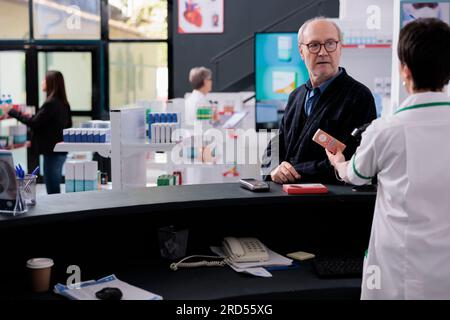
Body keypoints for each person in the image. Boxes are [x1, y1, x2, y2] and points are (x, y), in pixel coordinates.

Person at [326, 18, 450, 299]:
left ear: (404, 70)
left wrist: (338, 161)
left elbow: (354, 174)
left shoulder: (385, 129)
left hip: (397, 271)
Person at [262, 17, 377, 184]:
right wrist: (273, 169)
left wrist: (293, 171)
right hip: (287, 197)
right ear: (301, 52)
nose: (323, 52)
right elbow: (277, 144)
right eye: (314, 45)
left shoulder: (359, 96)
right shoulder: (296, 96)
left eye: (330, 43)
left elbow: (354, 159)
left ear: (340, 48)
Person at [6, 71, 72, 194]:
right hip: (59, 150)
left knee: (52, 189)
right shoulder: (63, 103)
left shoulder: (51, 103)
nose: (42, 82)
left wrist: (12, 111)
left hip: (53, 152)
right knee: (54, 185)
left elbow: (34, 123)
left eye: (44, 80)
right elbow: (66, 124)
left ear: (51, 83)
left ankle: (56, 212)